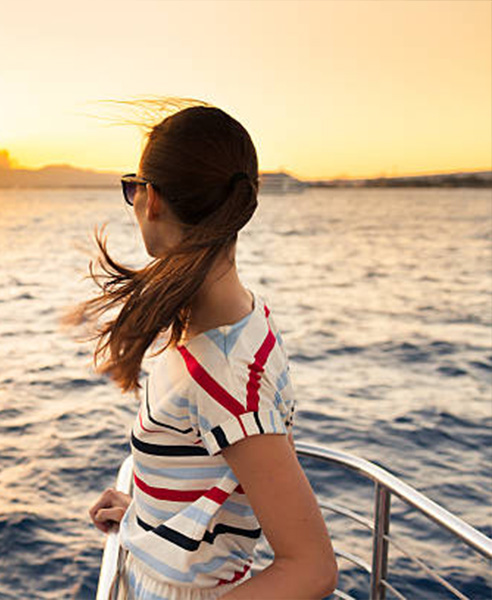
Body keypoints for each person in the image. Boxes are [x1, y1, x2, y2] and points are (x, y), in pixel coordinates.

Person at [77, 101, 338, 599]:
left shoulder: (223, 371)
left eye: (132, 187)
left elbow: (312, 567)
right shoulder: (244, 320)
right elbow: (215, 471)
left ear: (150, 199)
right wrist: (148, 516)